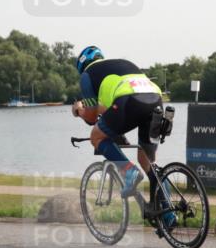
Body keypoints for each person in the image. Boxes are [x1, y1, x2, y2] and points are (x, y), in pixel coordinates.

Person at [71, 46, 167, 212]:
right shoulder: (122, 64)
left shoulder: (88, 76)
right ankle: (166, 214)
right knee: (148, 161)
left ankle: (129, 172)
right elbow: (109, 107)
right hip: (155, 100)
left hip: (129, 101)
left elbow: (92, 117)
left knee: (96, 137)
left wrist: (79, 110)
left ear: (82, 66)